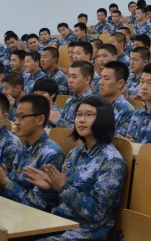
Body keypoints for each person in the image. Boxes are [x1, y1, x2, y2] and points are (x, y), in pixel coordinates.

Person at [23, 96, 127, 240]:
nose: (81, 120)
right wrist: (48, 189)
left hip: (85, 232)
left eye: (88, 115)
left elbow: (97, 212)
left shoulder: (112, 161)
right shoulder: (74, 153)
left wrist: (62, 187)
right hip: (58, 224)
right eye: (79, 114)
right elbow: (59, 201)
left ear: (103, 119)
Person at [0, 94, 66, 209]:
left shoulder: (51, 154)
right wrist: (0, 182)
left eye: (22, 117)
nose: (16, 122)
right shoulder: (23, 147)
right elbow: (11, 191)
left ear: (40, 119)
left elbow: (40, 204)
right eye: (16, 116)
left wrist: (5, 182)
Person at [54, 61, 94, 128]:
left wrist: (58, 122)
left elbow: (84, 129)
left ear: (87, 79)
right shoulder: (69, 100)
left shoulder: (92, 103)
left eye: (74, 77)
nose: (70, 80)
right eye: (69, 76)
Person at [99, 61, 134, 137]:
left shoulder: (126, 110)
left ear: (120, 83)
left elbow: (117, 140)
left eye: (106, 78)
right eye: (100, 78)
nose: (100, 82)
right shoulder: (97, 104)